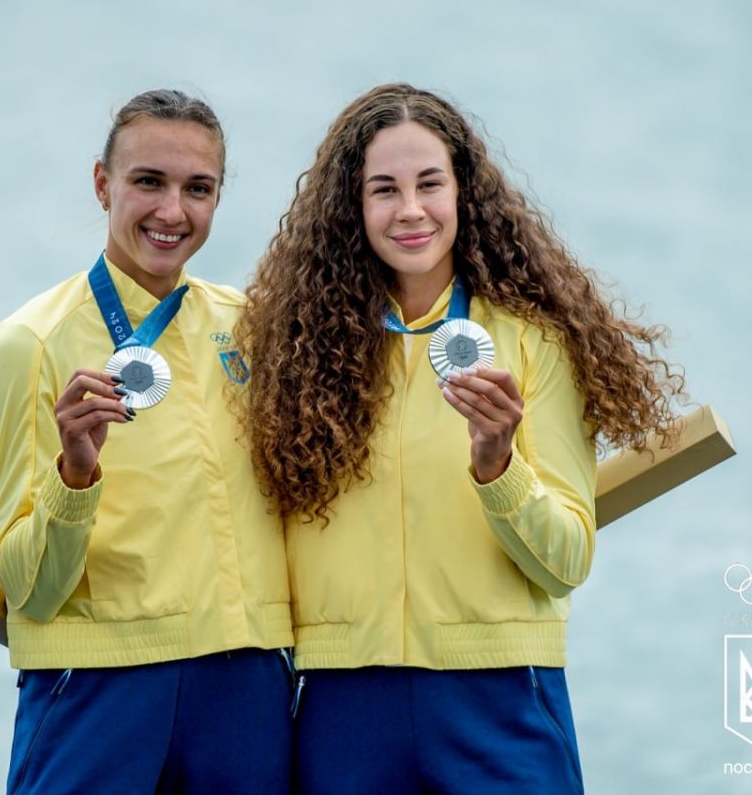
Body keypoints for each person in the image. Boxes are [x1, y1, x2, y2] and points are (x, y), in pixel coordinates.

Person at [234, 83, 685, 794]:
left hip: (500, 702)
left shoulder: (534, 343)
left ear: (463, 194)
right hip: (344, 708)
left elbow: (565, 560)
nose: (410, 210)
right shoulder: (297, 350)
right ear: (351, 208)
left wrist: (499, 465)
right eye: (384, 189)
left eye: (429, 184)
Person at [0, 89, 293, 795]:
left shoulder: (253, 328)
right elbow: (31, 588)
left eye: (197, 189)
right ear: (102, 183)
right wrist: (74, 477)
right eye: (149, 181)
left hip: (247, 687)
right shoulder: (27, 346)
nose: (172, 211)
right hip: (95, 690)